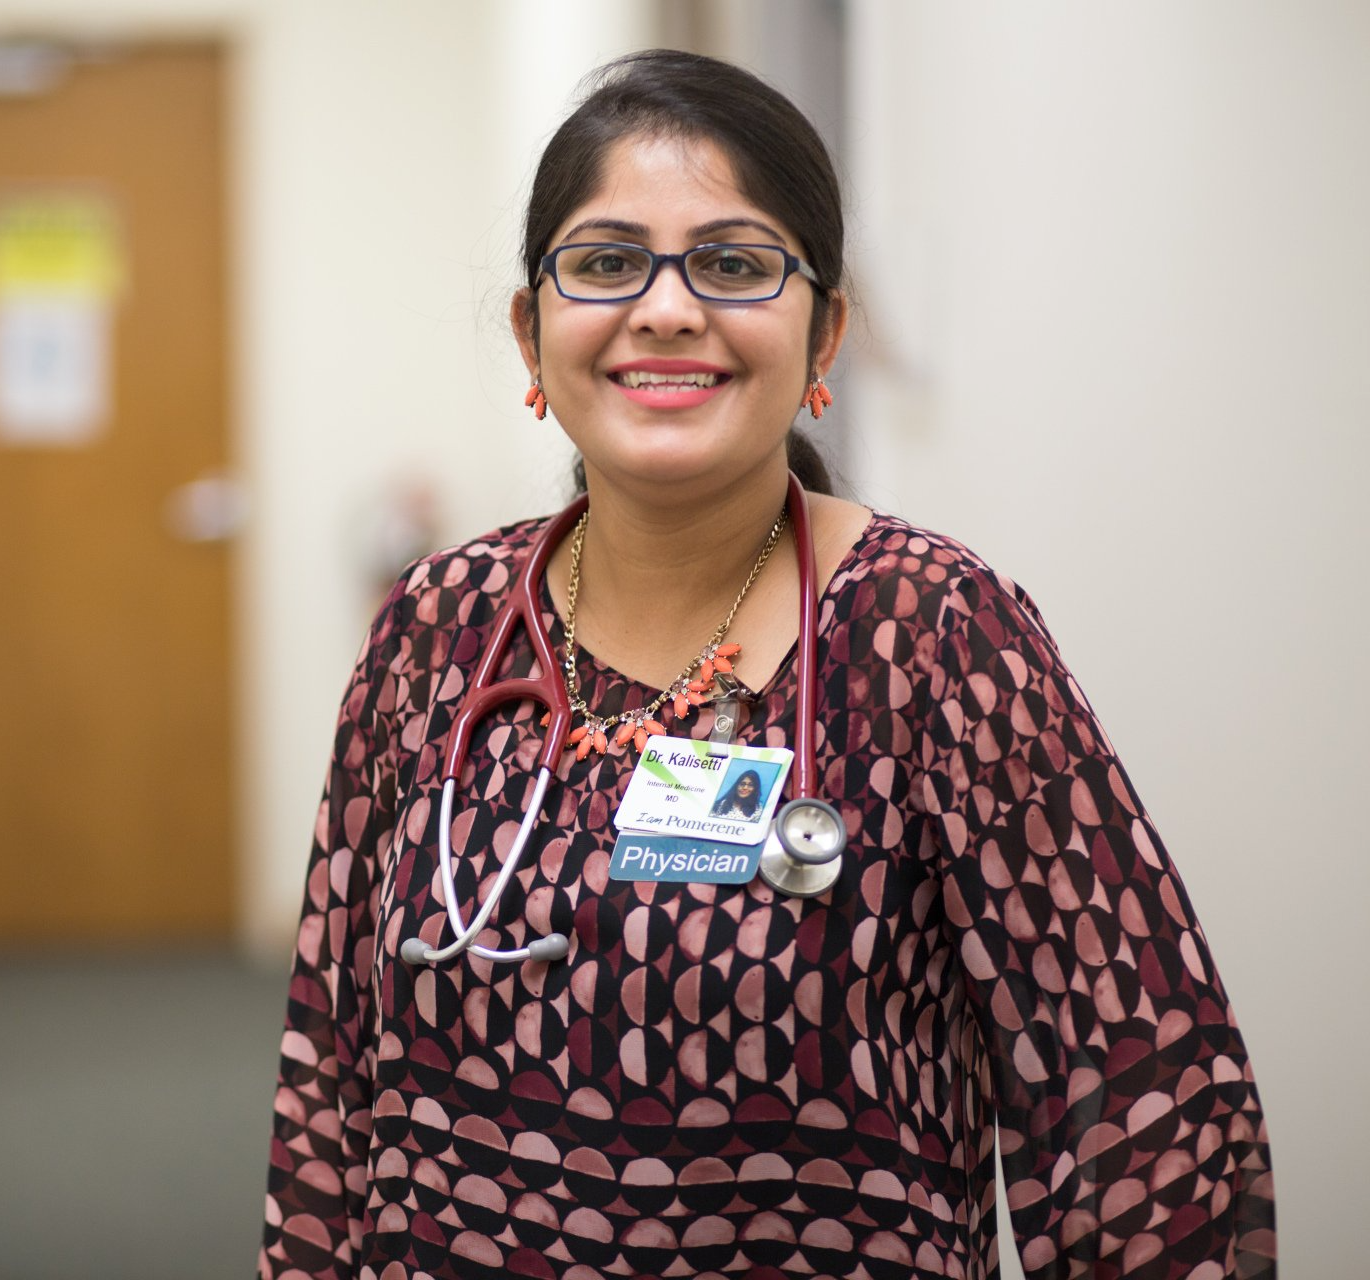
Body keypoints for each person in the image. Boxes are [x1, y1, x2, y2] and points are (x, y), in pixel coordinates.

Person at [258, 50, 1275, 1280]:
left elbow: (1143, 1130)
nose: (667, 308)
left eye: (733, 264)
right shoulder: (436, 628)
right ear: (532, 330)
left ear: (824, 328)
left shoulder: (934, 636)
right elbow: (328, 1082)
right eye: (604, 261)